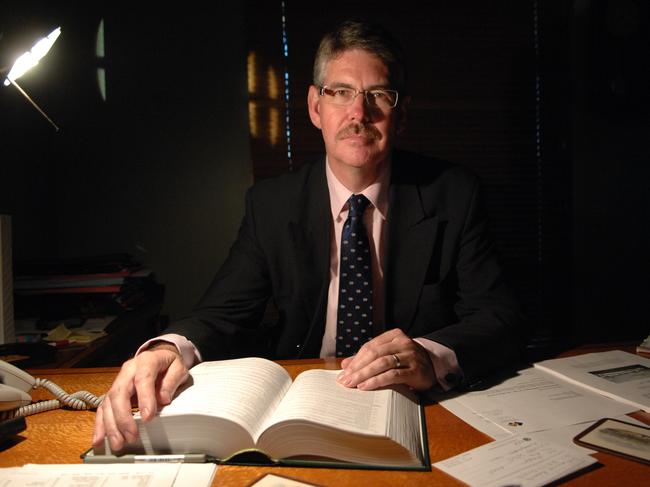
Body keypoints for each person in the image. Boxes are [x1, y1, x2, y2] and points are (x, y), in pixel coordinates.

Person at [93, 19, 526, 451]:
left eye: (378, 95)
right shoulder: (271, 204)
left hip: (416, 407)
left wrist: (430, 357)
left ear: (402, 113)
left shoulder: (454, 194)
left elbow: (500, 317)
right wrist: (165, 349)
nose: (360, 113)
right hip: (298, 401)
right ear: (316, 107)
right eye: (341, 92)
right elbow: (223, 313)